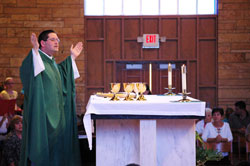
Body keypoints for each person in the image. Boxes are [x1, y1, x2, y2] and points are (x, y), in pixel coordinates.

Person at [19, 30, 82, 166]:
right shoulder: (37, 60)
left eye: (58, 40)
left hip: (58, 118)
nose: (57, 42)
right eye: (53, 39)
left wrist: (72, 58)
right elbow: (28, 71)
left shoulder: (52, 63)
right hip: (44, 118)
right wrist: (34, 52)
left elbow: (64, 73)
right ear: (42, 43)